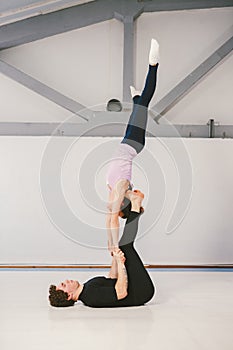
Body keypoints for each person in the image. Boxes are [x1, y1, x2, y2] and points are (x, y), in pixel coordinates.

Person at [49, 193, 155, 308]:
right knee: (125, 246)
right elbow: (121, 293)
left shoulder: (87, 289)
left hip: (136, 287)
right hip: (140, 291)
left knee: (122, 246)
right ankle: (135, 205)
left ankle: (134, 210)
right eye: (64, 285)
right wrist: (120, 263)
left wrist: (115, 257)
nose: (66, 280)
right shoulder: (90, 297)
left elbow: (112, 279)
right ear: (69, 296)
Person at [106, 38, 159, 255]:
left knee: (139, 106)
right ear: (122, 205)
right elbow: (112, 221)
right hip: (134, 144)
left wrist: (110, 244)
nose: (113, 208)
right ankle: (153, 65)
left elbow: (109, 218)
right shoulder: (121, 188)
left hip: (127, 143)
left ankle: (136, 97)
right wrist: (114, 244)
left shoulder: (112, 192)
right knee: (145, 104)